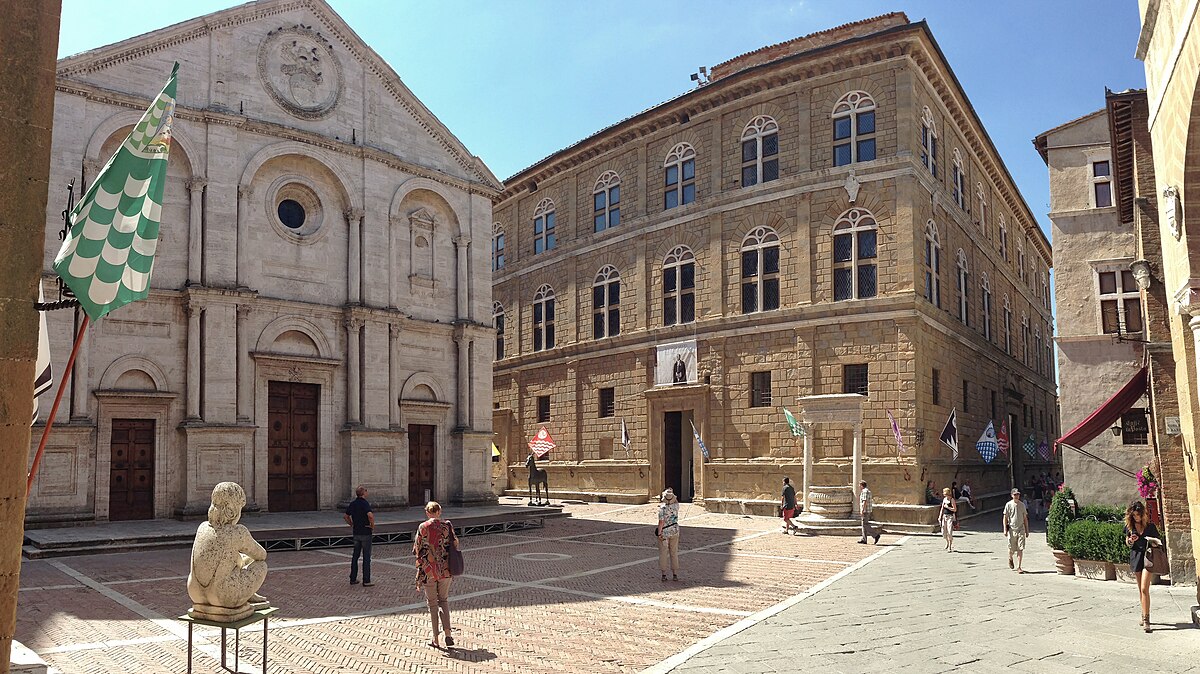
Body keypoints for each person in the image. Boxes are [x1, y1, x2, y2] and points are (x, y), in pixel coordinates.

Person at [414, 501, 459, 648]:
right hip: (445, 569)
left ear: (427, 513)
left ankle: (436, 638)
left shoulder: (423, 527)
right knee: (444, 601)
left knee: (432, 604)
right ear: (439, 512)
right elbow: (456, 543)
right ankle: (448, 634)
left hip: (429, 570)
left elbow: (417, 548)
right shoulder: (447, 526)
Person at [1124, 500, 1164, 632]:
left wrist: (1153, 543)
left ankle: (1146, 620)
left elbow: (1159, 542)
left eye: (1139, 515)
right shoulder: (1130, 527)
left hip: (1148, 558)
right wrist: (1130, 541)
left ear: (1143, 514)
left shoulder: (1150, 527)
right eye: (1134, 515)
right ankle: (1143, 614)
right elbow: (1127, 542)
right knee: (1140, 590)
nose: (1137, 517)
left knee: (1144, 588)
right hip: (1136, 557)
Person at [343, 485, 375, 586]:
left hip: (356, 532)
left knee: (355, 556)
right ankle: (366, 580)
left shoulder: (353, 503)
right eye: (366, 491)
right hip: (365, 532)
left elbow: (346, 516)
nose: (367, 492)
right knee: (366, 557)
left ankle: (353, 578)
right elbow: (370, 515)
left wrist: (352, 524)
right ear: (363, 493)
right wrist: (372, 525)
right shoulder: (365, 503)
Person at [1002, 488, 1029, 573]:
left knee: (1020, 548)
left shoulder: (1022, 505)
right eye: (1015, 495)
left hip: (1021, 528)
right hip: (1012, 529)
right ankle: (1010, 558)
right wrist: (1005, 529)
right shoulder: (1008, 505)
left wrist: (1027, 530)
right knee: (1011, 549)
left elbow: (1025, 518)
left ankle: (1019, 567)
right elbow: (1005, 518)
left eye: (1018, 494)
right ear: (1012, 495)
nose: (1017, 496)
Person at [658, 488, 681, 581]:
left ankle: (664, 574)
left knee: (663, 552)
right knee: (674, 552)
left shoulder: (662, 509)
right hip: (675, 530)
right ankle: (675, 574)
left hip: (665, 532)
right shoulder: (676, 506)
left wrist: (659, 533)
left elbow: (661, 522)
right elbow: (676, 501)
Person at [857, 481, 881, 545]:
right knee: (864, 525)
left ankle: (876, 535)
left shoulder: (864, 491)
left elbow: (865, 501)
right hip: (868, 510)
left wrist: (862, 510)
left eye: (859, 485)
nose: (859, 486)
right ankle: (864, 539)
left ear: (862, 485)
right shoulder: (868, 491)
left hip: (865, 510)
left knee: (865, 524)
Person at [940, 487, 957, 552]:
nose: (944, 495)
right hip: (944, 516)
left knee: (949, 531)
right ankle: (947, 542)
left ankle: (950, 546)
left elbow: (955, 509)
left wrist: (948, 507)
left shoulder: (952, 500)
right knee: (944, 532)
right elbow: (942, 508)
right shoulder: (944, 499)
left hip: (950, 516)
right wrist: (940, 516)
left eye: (945, 493)